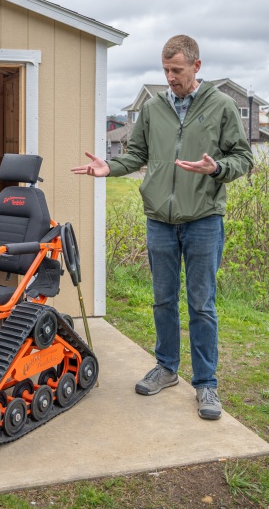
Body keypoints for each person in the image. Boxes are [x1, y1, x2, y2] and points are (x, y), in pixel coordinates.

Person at [72, 35, 252, 420]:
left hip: (204, 220)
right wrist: (109, 167)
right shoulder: (153, 108)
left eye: (177, 70)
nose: (170, 77)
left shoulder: (221, 106)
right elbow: (136, 154)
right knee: (163, 300)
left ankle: (206, 384)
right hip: (160, 222)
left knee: (202, 304)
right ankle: (167, 368)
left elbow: (243, 158)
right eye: (165, 69)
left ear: (196, 67)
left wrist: (216, 169)